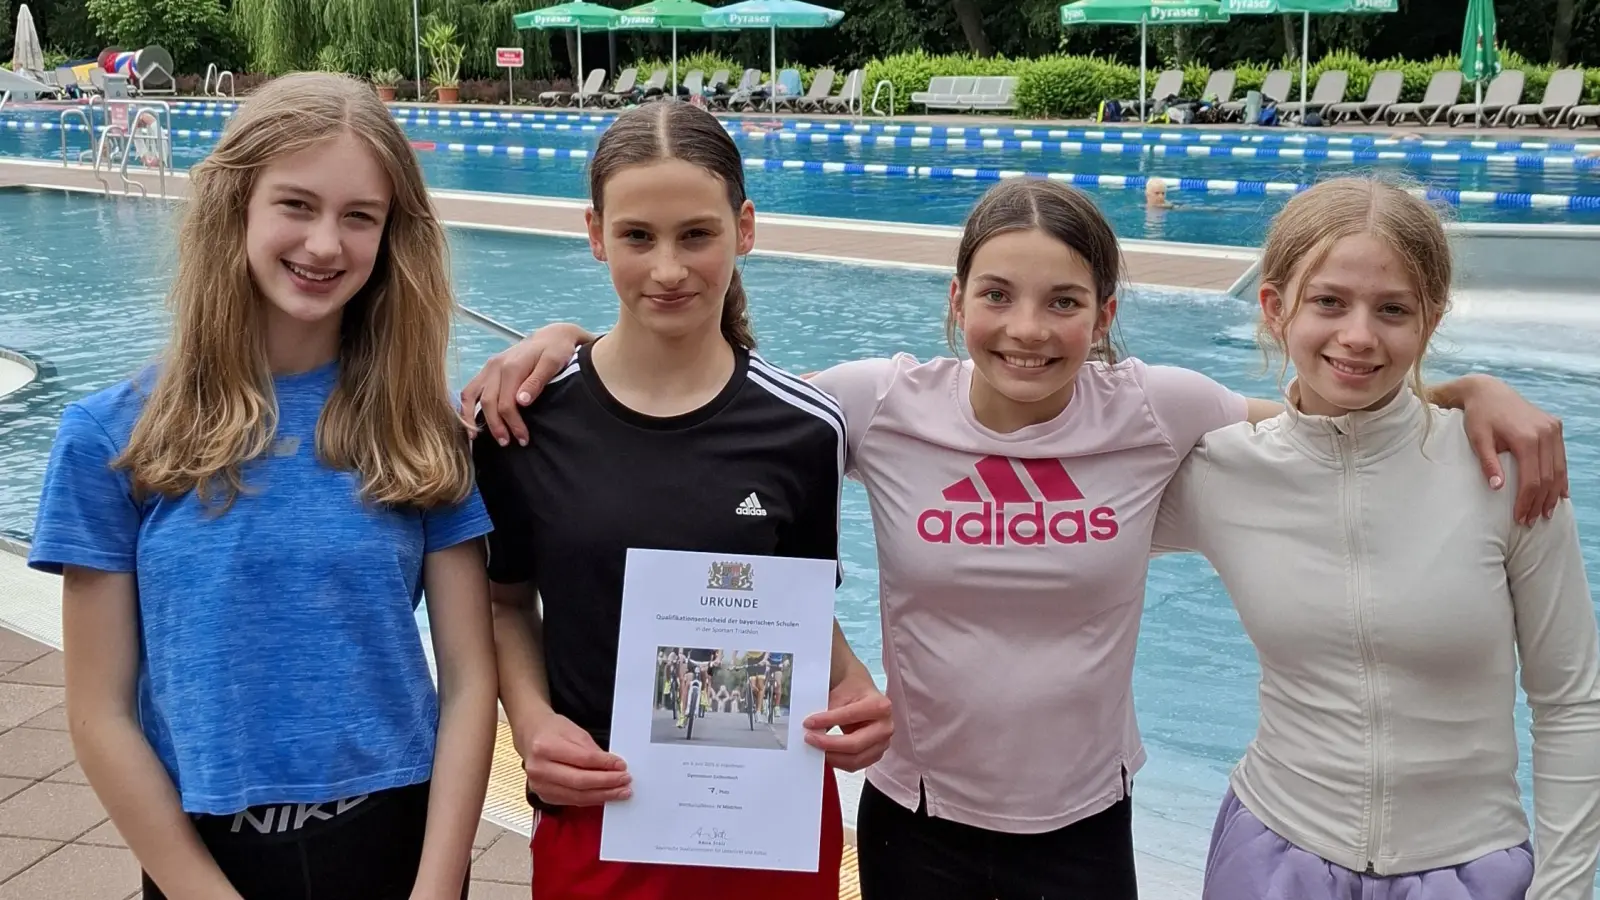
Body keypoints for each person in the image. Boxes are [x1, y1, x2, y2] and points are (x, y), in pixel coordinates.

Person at [462, 178, 1567, 899]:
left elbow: (1331, 420)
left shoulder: (1158, 409)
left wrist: (1466, 390)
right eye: (998, 295)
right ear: (956, 302)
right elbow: (711, 419)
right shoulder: (878, 403)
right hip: (916, 813)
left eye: (1063, 303)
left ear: (1105, 317)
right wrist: (568, 344)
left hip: (1086, 821)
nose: (1027, 331)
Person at [26, 73, 498, 900]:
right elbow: (99, 711)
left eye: (361, 217)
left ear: (392, 237)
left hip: (399, 845)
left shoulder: (416, 425)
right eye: (296, 205)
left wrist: (438, 885)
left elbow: (467, 681)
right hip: (204, 859)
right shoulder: (113, 438)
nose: (325, 245)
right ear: (237, 205)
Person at [468, 100, 893, 900]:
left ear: (746, 228)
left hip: (767, 817)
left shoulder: (803, 430)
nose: (668, 269)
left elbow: (792, 604)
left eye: (696, 235)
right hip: (600, 803)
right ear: (595, 234)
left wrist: (853, 688)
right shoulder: (524, 424)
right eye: (638, 237)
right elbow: (504, 603)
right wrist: (529, 725)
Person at [1152, 177, 1600, 900]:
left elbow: (1574, 698)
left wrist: (1567, 887)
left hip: (1469, 869)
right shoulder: (1222, 472)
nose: (1358, 335)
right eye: (1329, 301)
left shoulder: (1509, 467)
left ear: (1430, 321)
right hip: (1273, 858)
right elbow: (1065, 537)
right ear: (1274, 309)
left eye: (1392, 310)